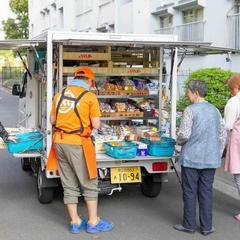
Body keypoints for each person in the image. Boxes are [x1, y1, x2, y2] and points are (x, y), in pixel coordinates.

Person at [50, 67, 113, 234]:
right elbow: (97, 125)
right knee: (89, 183)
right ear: (90, 81)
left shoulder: (59, 95)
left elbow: (52, 120)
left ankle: (75, 221)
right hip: (78, 144)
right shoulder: (89, 96)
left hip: (60, 143)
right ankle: (93, 222)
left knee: (69, 184)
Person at [173, 80, 226, 236]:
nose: (187, 95)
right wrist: (217, 152)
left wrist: (177, 144)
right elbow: (222, 135)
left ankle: (188, 225)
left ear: (196, 92)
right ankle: (207, 227)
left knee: (189, 192)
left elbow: (184, 134)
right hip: (210, 159)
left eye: (188, 92)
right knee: (206, 192)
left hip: (191, 158)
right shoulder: (215, 110)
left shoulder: (190, 110)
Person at [224, 73, 240, 221]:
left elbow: (228, 125)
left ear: (235, 87)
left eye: (231, 88)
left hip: (238, 142)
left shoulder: (234, 102)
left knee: (239, 177)